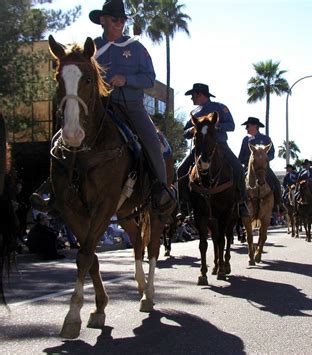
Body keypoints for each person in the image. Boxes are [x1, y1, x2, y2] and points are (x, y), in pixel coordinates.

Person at [30, 0, 174, 215]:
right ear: (103, 20)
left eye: (123, 20)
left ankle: (161, 188)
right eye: (115, 19)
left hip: (131, 107)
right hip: (99, 107)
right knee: (60, 138)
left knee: (152, 140)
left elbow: (149, 79)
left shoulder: (135, 47)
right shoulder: (92, 49)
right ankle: (52, 186)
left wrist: (125, 79)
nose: (120, 23)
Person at [177, 83, 248, 216]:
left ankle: (242, 203)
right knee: (180, 170)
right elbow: (185, 132)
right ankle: (184, 205)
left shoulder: (220, 107)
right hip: (198, 148)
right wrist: (191, 130)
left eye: (193, 95)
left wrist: (216, 127)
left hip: (219, 145)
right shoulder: (194, 113)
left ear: (200, 94)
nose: (191, 98)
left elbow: (231, 125)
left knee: (238, 167)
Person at [238, 116, 283, 211]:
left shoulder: (266, 139)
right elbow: (241, 156)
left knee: (276, 182)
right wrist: (246, 161)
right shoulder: (245, 140)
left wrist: (264, 161)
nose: (246, 128)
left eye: (248, 126)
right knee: (237, 182)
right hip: (249, 168)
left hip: (263, 168)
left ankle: (279, 204)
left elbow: (272, 153)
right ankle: (238, 205)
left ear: (255, 126)